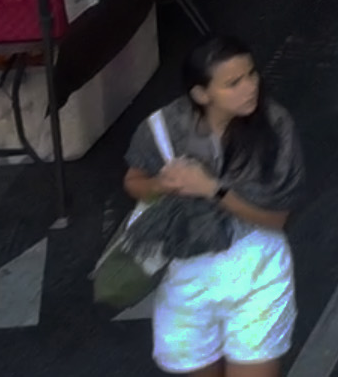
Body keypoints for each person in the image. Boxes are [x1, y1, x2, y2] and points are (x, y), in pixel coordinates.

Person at [124, 37, 305, 377]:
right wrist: (163, 185)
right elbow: (133, 181)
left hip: (257, 269)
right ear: (201, 94)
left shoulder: (276, 125)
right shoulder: (162, 128)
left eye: (251, 74)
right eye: (233, 83)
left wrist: (211, 189)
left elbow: (277, 218)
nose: (250, 87)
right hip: (185, 273)